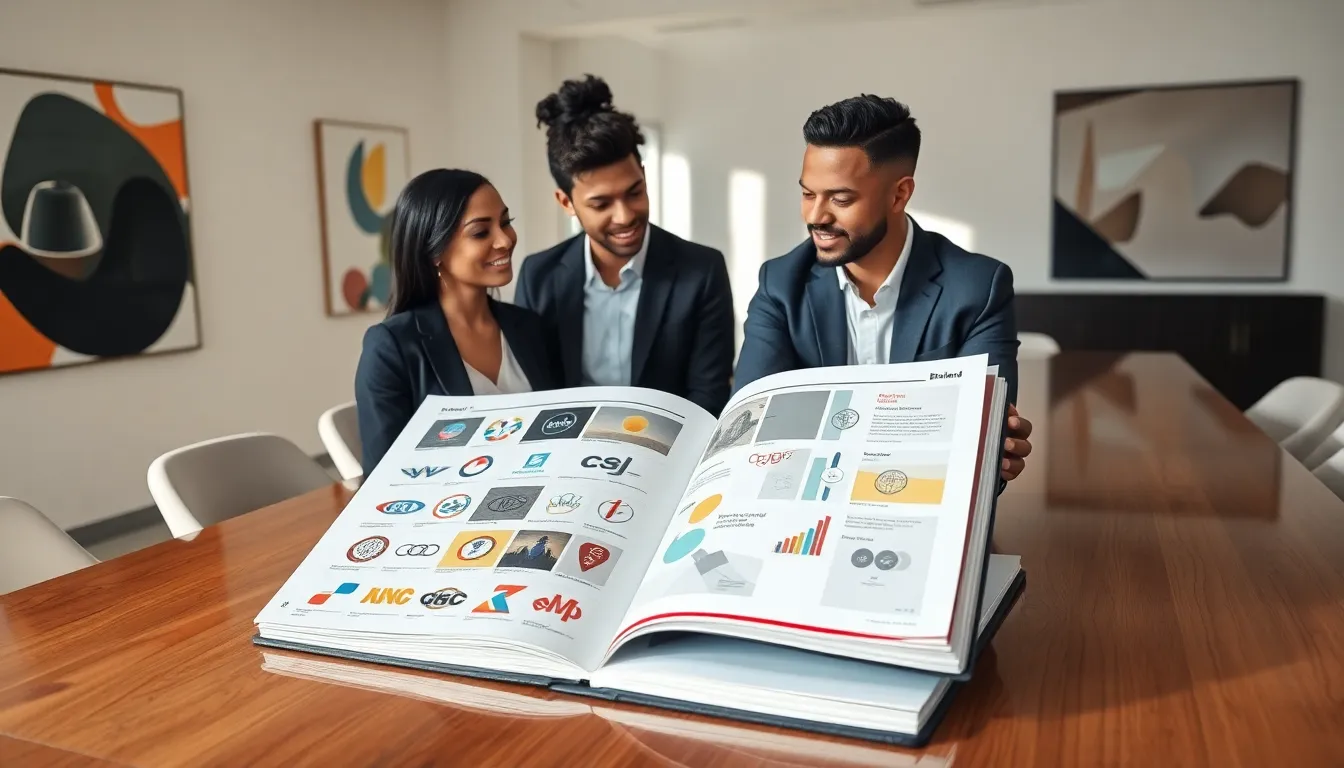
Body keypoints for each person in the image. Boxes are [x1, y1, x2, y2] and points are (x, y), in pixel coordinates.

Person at [733, 95, 1033, 482]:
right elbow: (751, 436)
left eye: (840, 199)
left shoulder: (978, 289)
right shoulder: (780, 285)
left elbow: (984, 456)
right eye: (808, 193)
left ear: (899, 194)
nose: (815, 216)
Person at [515, 74, 735, 416]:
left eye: (634, 192)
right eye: (601, 204)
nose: (625, 215)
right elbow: (535, 394)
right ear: (565, 202)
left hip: (667, 452)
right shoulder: (538, 276)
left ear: (644, 176)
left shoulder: (701, 271)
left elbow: (707, 398)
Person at [354, 169, 562, 475]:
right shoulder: (391, 347)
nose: (505, 240)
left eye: (506, 222)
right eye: (481, 232)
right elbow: (383, 479)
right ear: (434, 252)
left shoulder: (530, 328)